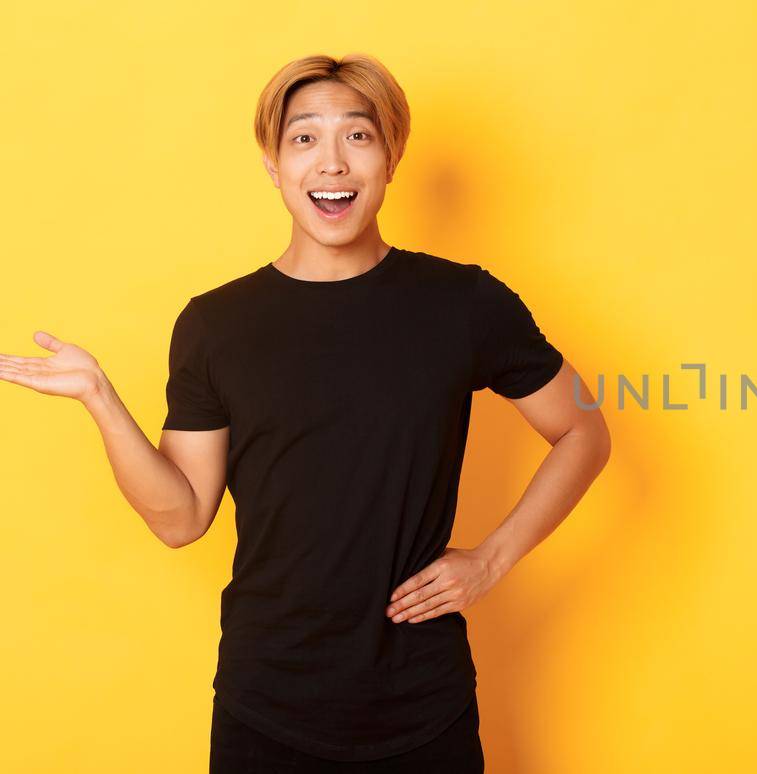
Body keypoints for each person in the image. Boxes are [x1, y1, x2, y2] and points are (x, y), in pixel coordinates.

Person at [0, 53, 611, 772]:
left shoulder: (463, 304)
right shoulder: (215, 325)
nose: (332, 163)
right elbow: (180, 517)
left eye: (358, 137)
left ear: (391, 158)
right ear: (272, 164)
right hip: (267, 707)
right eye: (304, 138)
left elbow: (583, 429)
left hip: (422, 704)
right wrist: (101, 401)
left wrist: (490, 560)